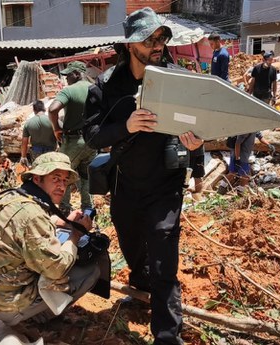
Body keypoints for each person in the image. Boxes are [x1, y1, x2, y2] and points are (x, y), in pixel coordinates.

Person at [83, 7, 204, 345]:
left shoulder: (178, 80)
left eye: (161, 38)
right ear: (130, 43)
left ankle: (167, 335)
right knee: (134, 248)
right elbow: (92, 135)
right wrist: (126, 126)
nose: (158, 45)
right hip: (125, 186)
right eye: (150, 39)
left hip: (165, 186)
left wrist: (198, 156)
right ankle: (141, 293)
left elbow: (197, 123)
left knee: (164, 258)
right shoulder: (106, 87)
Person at [0, 152, 100, 328]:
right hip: (8, 306)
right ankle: (39, 317)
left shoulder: (12, 196)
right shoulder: (33, 215)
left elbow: (23, 222)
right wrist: (76, 234)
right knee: (91, 269)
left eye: (64, 180)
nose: (62, 186)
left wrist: (61, 221)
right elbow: (56, 269)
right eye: (55, 178)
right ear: (37, 179)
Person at [48, 61, 97, 213]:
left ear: (76, 74)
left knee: (63, 175)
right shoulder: (95, 88)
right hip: (92, 140)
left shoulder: (69, 90)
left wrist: (56, 128)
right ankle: (88, 210)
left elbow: (52, 109)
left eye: (68, 75)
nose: (66, 79)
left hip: (73, 141)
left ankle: (64, 210)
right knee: (86, 176)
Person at [21, 100, 57, 165]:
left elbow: (24, 142)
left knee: (38, 170)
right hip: (51, 152)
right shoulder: (52, 120)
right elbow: (62, 133)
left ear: (34, 110)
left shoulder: (28, 123)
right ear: (45, 109)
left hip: (36, 153)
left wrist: (23, 156)